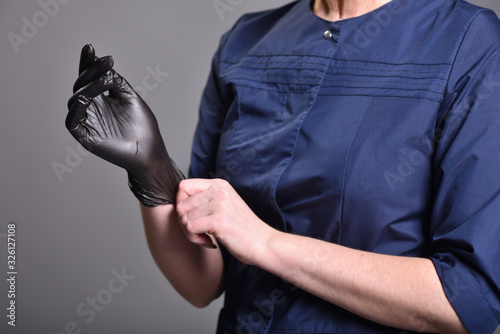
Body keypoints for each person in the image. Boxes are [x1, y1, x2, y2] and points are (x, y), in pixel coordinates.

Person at [66, 0, 500, 332]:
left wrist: (266, 243)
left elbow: (467, 302)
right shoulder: (245, 42)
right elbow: (202, 283)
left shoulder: (469, 43)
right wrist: (152, 171)